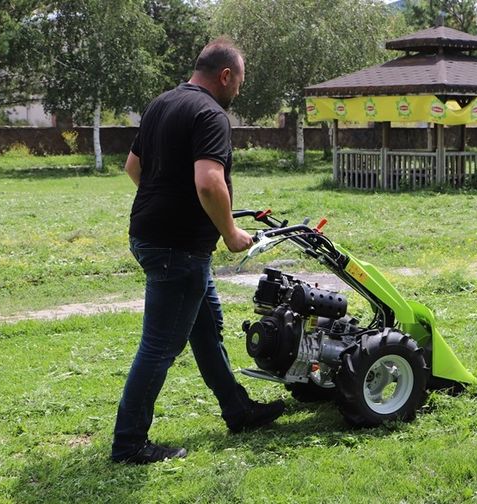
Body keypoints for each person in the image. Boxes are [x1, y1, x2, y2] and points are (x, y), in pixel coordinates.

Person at [111, 38, 285, 465]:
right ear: (226, 76)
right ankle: (129, 443)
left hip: (151, 236)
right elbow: (209, 182)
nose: (238, 92)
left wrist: (168, 201)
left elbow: (134, 167)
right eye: (240, 83)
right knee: (159, 346)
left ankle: (238, 410)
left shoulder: (161, 104)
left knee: (205, 330)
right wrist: (228, 232)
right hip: (178, 249)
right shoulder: (210, 114)